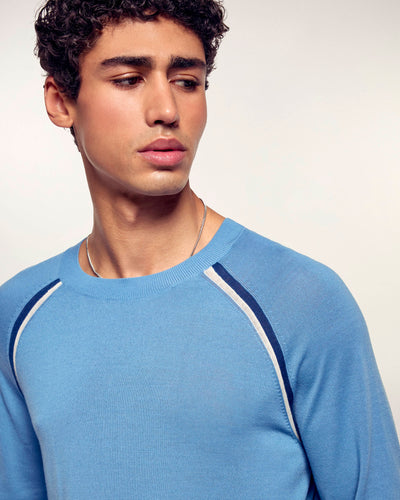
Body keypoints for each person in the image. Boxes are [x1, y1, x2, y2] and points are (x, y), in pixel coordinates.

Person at [0, 0, 399, 498]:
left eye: (187, 82)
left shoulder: (301, 301)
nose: (167, 111)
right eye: (129, 79)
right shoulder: (19, 314)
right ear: (61, 102)